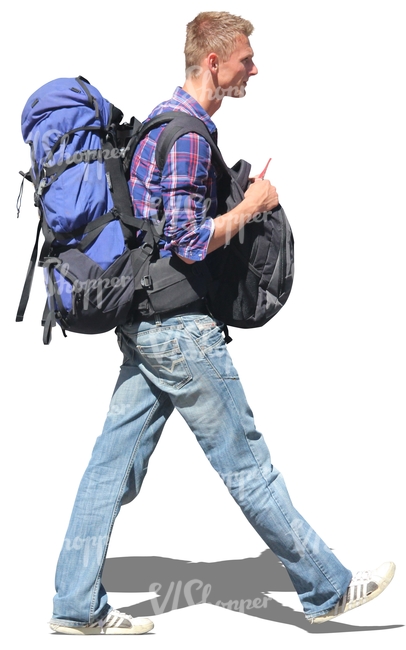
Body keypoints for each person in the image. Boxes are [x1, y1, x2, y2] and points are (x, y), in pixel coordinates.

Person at [49, 11, 395, 635]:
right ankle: (328, 589)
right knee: (248, 465)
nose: (253, 69)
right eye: (244, 59)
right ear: (213, 62)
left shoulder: (160, 119)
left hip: (146, 324)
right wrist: (252, 205)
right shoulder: (185, 135)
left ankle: (74, 605)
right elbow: (186, 240)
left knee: (109, 467)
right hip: (181, 332)